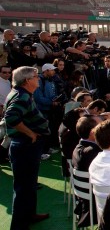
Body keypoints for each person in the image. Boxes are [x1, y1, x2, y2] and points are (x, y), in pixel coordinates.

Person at [4, 66, 51, 228]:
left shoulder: (21, 93)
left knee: (30, 184)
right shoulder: (21, 96)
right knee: (23, 187)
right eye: (36, 77)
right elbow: (11, 117)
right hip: (24, 145)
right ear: (27, 81)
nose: (38, 79)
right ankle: (18, 225)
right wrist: (30, 133)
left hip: (26, 146)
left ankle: (30, 214)